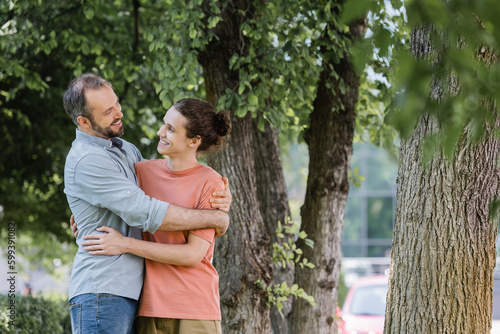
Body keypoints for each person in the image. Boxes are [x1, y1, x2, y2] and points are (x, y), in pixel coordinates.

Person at [63, 74, 231, 334]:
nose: (118, 113)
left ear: (194, 140)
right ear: (84, 121)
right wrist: (216, 218)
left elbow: (191, 252)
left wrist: (220, 214)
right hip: (122, 296)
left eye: (116, 103)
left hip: (176, 300)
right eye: (108, 111)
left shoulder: (130, 154)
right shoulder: (104, 162)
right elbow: (143, 210)